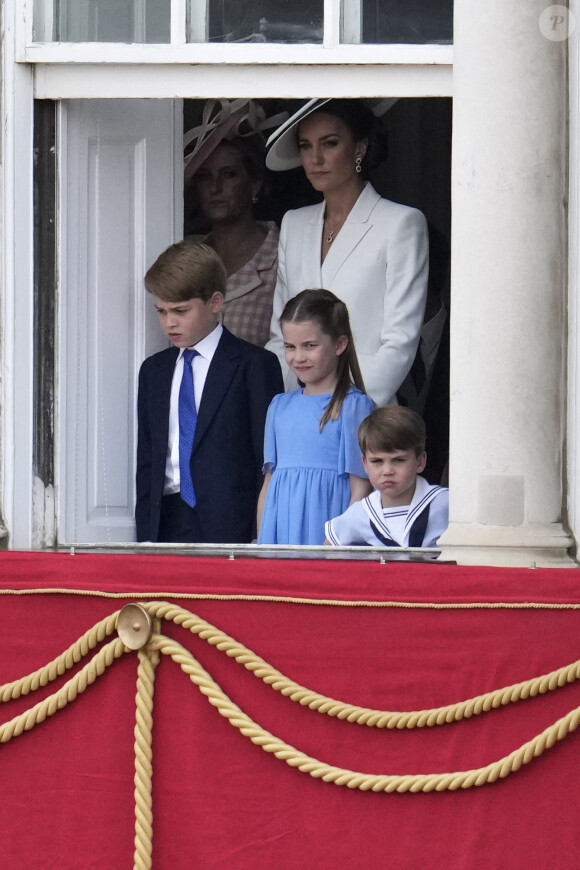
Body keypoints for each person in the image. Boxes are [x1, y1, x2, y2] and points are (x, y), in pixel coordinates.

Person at [265, 98, 429, 407]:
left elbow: (399, 342)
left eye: (329, 143)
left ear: (359, 148)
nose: (315, 158)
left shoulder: (400, 223)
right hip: (298, 411)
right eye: (305, 145)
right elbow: (279, 335)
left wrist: (347, 407)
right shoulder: (294, 223)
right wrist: (291, 404)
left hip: (367, 414)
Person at [135, 240, 283, 544]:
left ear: (215, 302)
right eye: (161, 311)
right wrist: (144, 532)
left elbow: (266, 458)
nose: (169, 323)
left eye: (180, 310)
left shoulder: (254, 365)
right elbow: (148, 459)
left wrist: (261, 532)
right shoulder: (154, 371)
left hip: (232, 522)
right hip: (166, 521)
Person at [257, 288, 375, 545]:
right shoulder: (279, 406)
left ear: (340, 344)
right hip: (280, 533)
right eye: (290, 347)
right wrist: (262, 540)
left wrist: (338, 539)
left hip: (327, 532)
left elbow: (361, 486)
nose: (298, 357)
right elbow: (269, 485)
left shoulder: (353, 406)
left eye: (309, 346)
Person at [185, 99, 287, 347]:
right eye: (204, 177)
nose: (215, 188)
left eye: (229, 174)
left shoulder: (283, 254)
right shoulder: (189, 258)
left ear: (254, 183)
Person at [324, 406, 449, 549]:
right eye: (377, 461)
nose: (387, 471)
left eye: (398, 460)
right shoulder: (361, 512)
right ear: (365, 464)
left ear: (420, 462)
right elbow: (328, 548)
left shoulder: (445, 503)